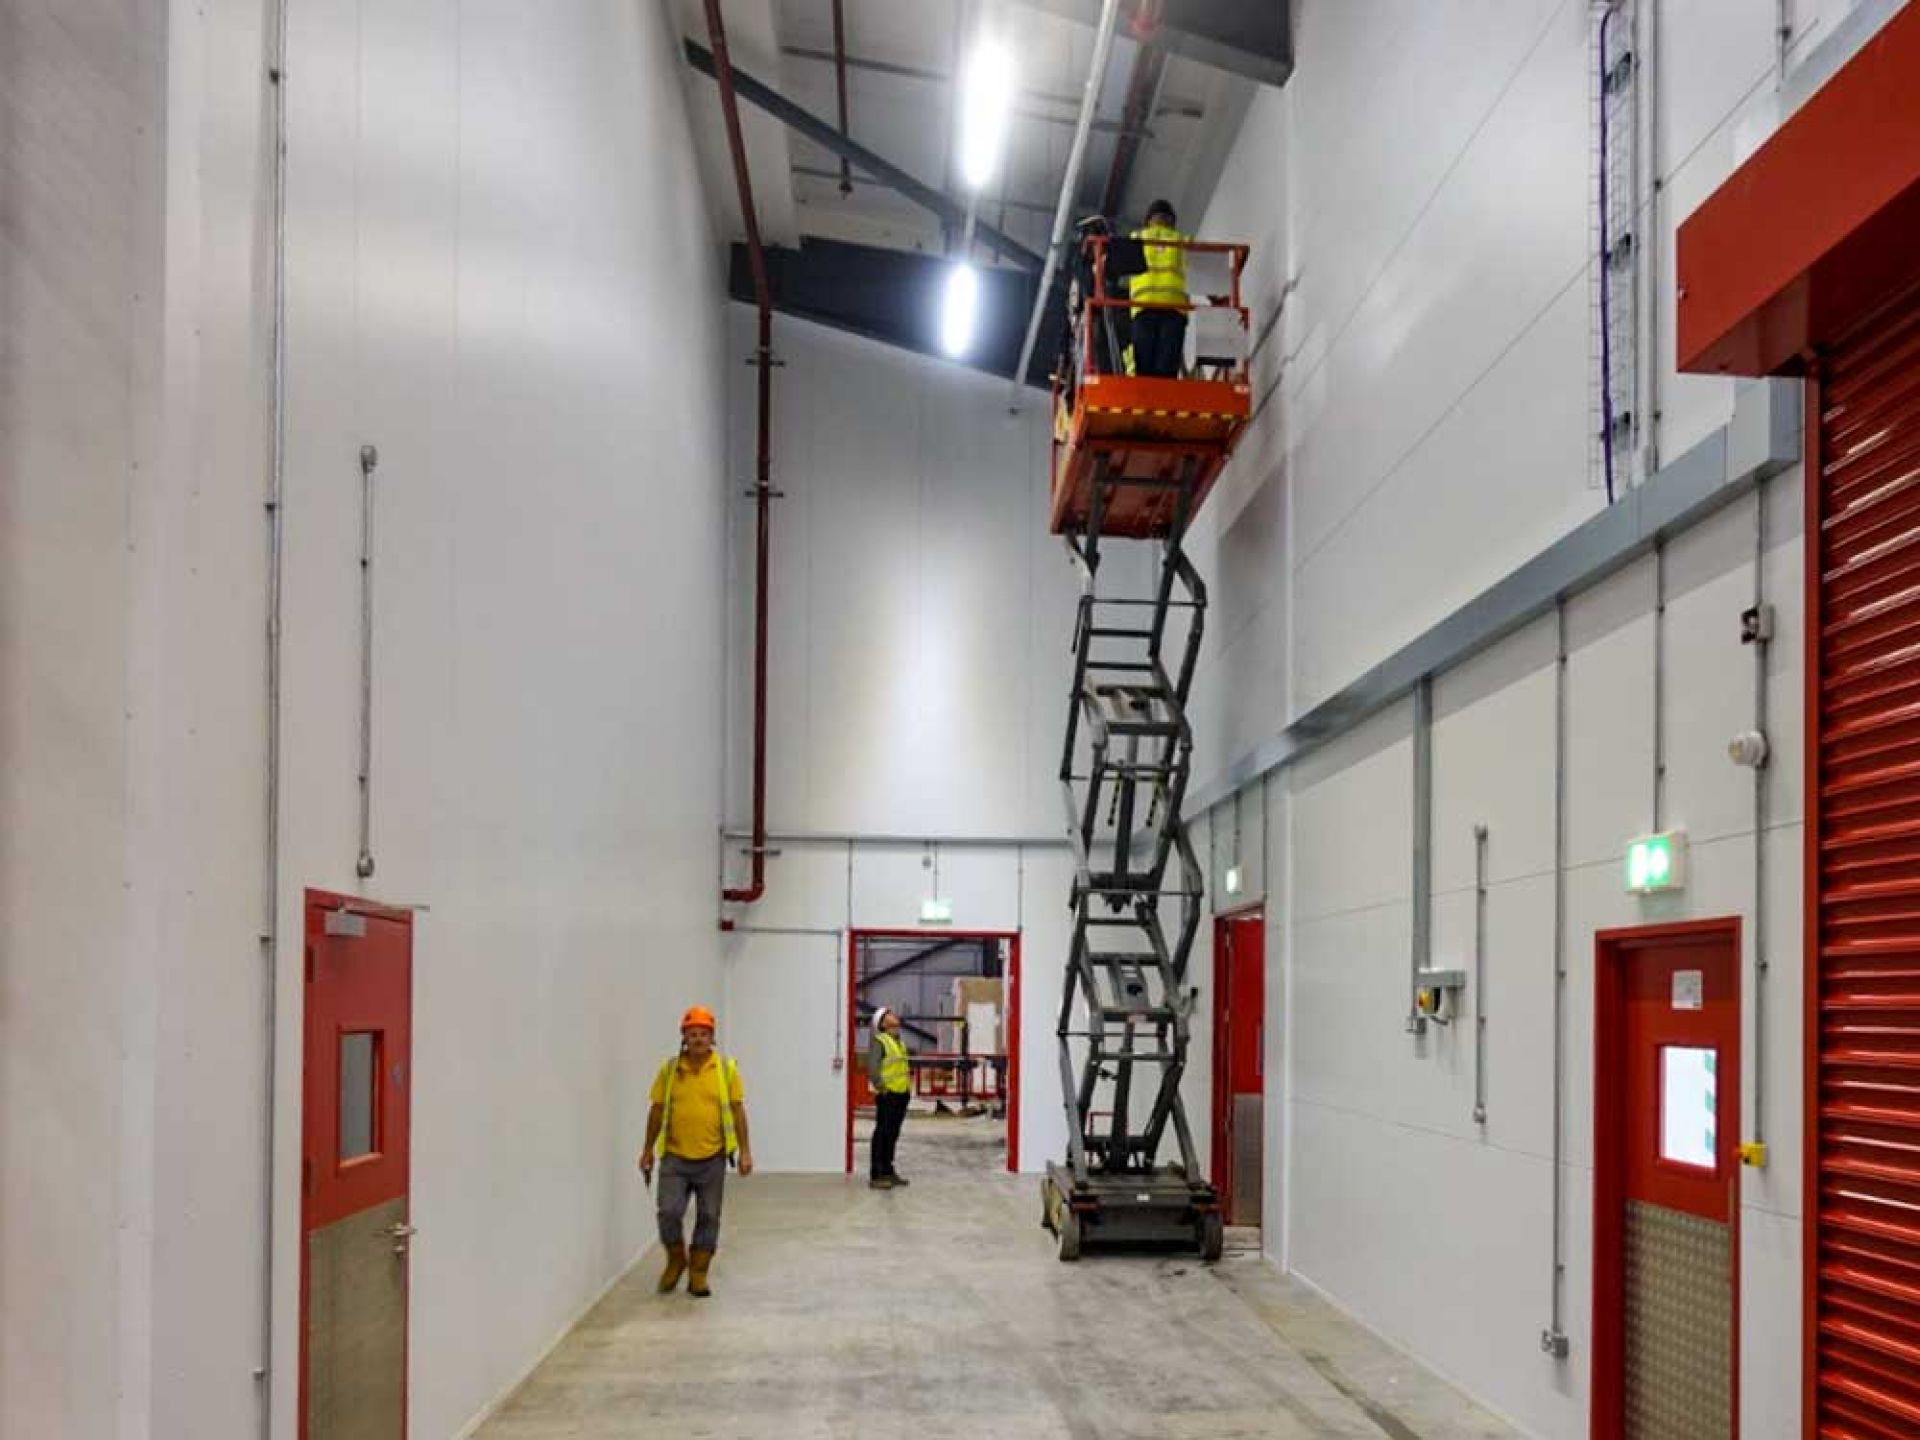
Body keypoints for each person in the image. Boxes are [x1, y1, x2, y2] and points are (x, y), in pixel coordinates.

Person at [638, 1006, 752, 1298]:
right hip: (675, 1158)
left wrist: (745, 1151)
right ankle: (676, 1259)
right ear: (684, 1038)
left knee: (709, 1216)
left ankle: (699, 1272)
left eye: (704, 1034)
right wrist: (647, 1149)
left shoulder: (726, 1070)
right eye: (692, 1034)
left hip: (712, 1159)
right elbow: (657, 1109)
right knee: (669, 1211)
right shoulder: (669, 1070)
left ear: (712, 1038)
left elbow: (738, 1111)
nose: (698, 1039)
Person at [1127, 198, 1189, 378]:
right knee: (1167, 365)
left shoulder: (1136, 239)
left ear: (1148, 220)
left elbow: (1114, 266)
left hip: (1144, 308)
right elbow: (1202, 271)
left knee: (1144, 364)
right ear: (1172, 221)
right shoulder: (1182, 241)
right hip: (1174, 309)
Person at [867, 1007, 913, 1190]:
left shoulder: (898, 1042)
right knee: (883, 1133)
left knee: (893, 1134)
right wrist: (881, 1088)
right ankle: (877, 1174)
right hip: (888, 1095)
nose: (894, 1015)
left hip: (901, 1094)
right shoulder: (881, 1041)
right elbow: (873, 1067)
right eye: (889, 1014)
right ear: (883, 1023)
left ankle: (888, 1170)